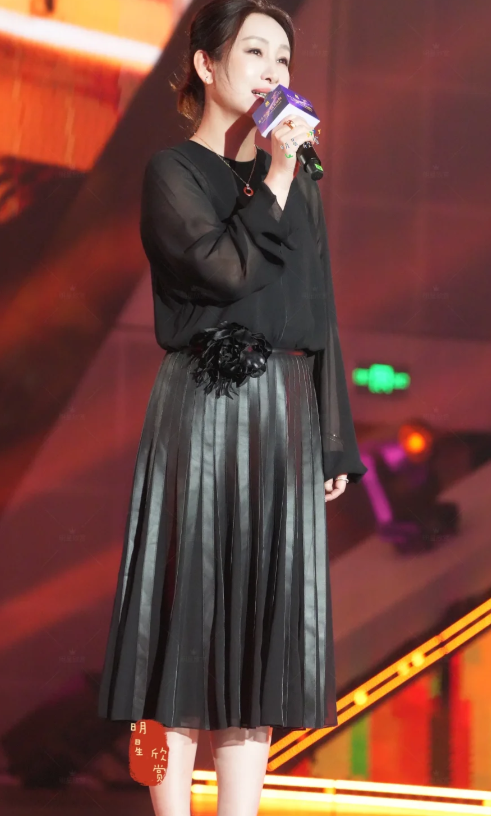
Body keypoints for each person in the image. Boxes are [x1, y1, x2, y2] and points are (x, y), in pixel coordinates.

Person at [97, 0, 368, 814]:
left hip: (283, 417)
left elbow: (317, 309)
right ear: (207, 65)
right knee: (180, 632)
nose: (272, 71)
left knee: (261, 637)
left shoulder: (295, 181)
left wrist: (333, 439)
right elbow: (222, 270)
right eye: (255, 52)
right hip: (204, 412)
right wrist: (276, 173)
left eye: (283, 58)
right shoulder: (173, 172)